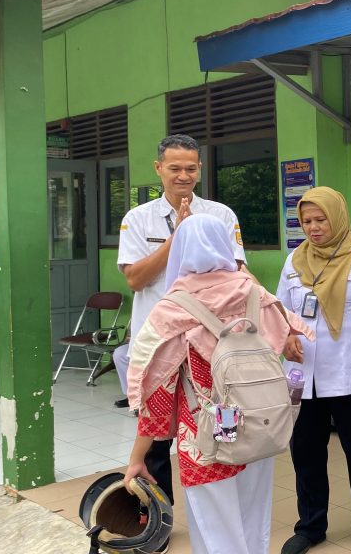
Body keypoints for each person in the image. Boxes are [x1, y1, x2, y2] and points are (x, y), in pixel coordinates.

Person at [124, 214, 313, 554]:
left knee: (215, 528)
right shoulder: (255, 294)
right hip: (258, 424)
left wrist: (138, 457)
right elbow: (279, 345)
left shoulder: (173, 309)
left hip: (208, 434)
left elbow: (159, 395)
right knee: (254, 517)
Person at [118, 134, 248, 507]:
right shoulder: (138, 219)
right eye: (174, 168)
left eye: (191, 168)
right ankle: (157, 517)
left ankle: (223, 501)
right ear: (158, 168)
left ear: (200, 169)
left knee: (222, 428)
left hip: (211, 350)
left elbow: (237, 273)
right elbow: (134, 279)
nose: (183, 176)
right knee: (156, 437)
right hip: (160, 347)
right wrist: (177, 237)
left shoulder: (221, 215)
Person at [277, 186, 351, 554]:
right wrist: (285, 336)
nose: (313, 228)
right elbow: (279, 311)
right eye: (307, 221)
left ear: (338, 216)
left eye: (321, 219)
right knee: (306, 455)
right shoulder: (295, 259)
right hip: (303, 378)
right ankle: (310, 526)